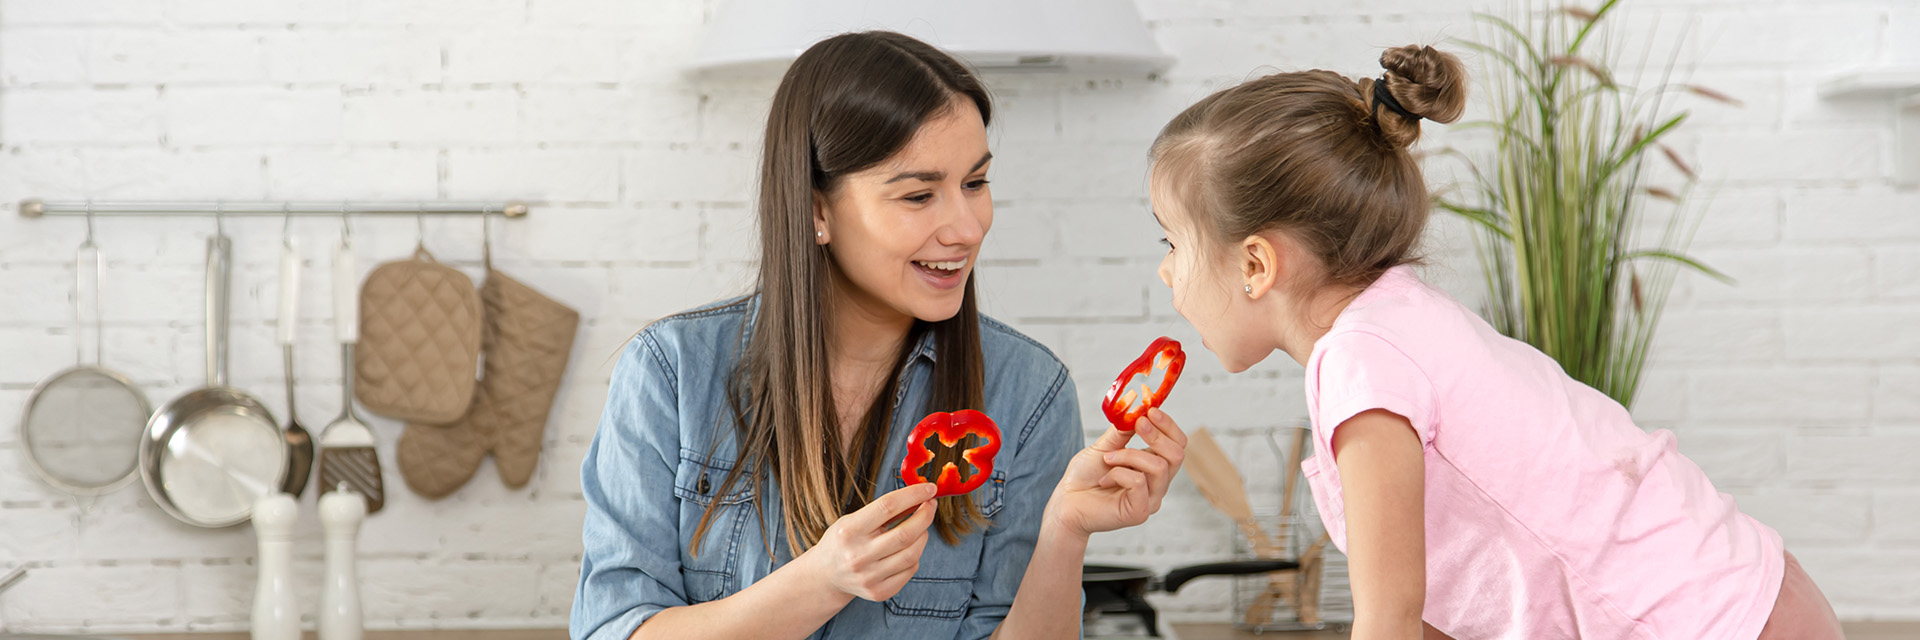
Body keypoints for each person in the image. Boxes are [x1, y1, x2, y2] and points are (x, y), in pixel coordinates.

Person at [1140, 43, 1845, 639]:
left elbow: (1390, 618)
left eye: (1173, 240)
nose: (1167, 270)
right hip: (1751, 595)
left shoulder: (1359, 365)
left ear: (1257, 265)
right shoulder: (1401, 321)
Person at [571, 30, 1188, 640]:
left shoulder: (1028, 391)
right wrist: (822, 581)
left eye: (975, 183)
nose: (967, 227)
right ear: (817, 211)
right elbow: (614, 630)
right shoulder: (673, 370)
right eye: (920, 195)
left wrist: (1067, 528)